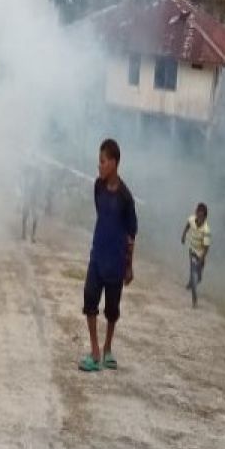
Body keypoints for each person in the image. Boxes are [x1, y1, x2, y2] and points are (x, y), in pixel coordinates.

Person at [78, 138, 138, 372]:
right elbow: (101, 215)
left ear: (113, 163)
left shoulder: (125, 197)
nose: (99, 166)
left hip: (116, 262)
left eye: (102, 162)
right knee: (90, 301)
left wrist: (129, 265)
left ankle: (107, 348)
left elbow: (131, 233)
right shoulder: (98, 187)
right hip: (98, 256)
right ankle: (94, 350)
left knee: (112, 310)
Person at [180, 202, 211, 308]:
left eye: (202, 216)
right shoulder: (192, 219)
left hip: (201, 255)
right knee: (193, 275)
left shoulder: (206, 230)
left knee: (199, 278)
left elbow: (206, 248)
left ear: (205, 217)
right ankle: (194, 300)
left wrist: (202, 259)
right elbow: (187, 225)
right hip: (192, 252)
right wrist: (183, 235)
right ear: (196, 213)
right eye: (198, 215)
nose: (199, 218)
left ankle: (191, 283)